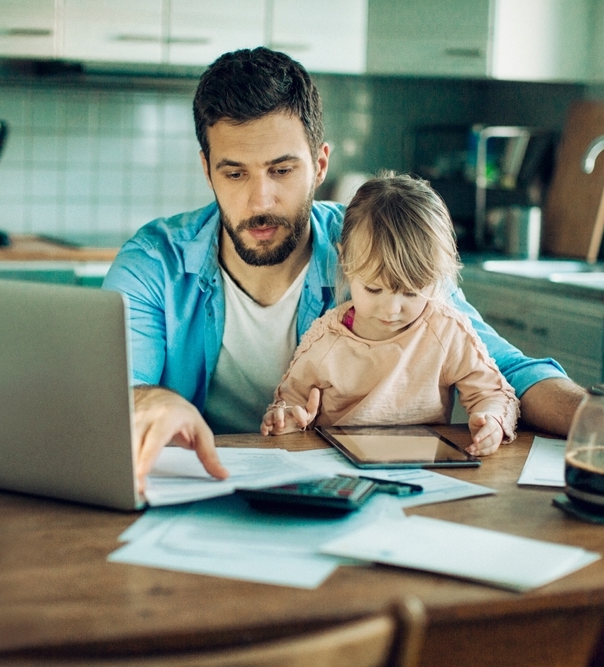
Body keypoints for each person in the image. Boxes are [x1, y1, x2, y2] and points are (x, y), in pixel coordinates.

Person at [102, 47, 584, 490]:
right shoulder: (154, 262)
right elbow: (112, 388)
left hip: (346, 493)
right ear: (206, 169)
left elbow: (509, 370)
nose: (260, 199)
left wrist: (593, 419)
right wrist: (148, 399)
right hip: (198, 487)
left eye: (282, 170)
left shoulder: (373, 247)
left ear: (320, 163)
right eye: (235, 173)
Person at [261, 171, 519, 456]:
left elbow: (493, 393)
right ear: (345, 261)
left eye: (411, 292)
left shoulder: (446, 331)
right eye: (373, 289)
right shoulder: (326, 339)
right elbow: (288, 402)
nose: (392, 309)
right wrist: (285, 419)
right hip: (337, 465)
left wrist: (491, 420)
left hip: (420, 467)